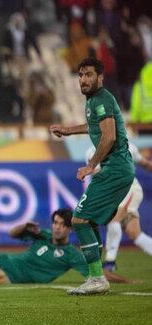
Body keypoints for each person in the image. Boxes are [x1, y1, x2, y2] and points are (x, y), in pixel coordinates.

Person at [50, 57, 135, 295]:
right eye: (80, 75)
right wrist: (67, 130)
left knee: (78, 220)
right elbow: (95, 125)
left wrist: (90, 166)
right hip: (116, 168)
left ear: (100, 77)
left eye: (88, 75)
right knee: (89, 221)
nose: (83, 80)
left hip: (115, 167)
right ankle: (96, 275)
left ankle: (97, 277)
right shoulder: (94, 102)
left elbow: (108, 137)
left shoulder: (103, 99)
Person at [0, 208, 140, 285]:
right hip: (2, 259)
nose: (57, 228)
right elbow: (13, 234)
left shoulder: (71, 254)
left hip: (8, 276)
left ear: (69, 230)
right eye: (55, 222)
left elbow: (98, 273)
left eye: (62, 225)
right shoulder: (43, 235)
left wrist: (129, 281)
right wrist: (23, 226)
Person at [85, 143, 152, 269]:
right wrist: (119, 168)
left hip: (129, 189)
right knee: (135, 234)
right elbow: (95, 173)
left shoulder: (129, 147)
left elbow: (145, 164)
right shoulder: (91, 152)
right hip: (114, 193)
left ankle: (110, 261)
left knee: (113, 219)